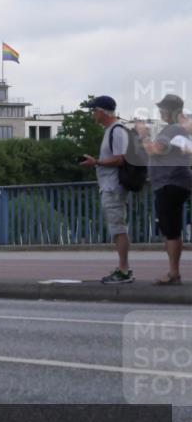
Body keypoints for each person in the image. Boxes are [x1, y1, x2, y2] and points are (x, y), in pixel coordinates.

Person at [138, 94, 192, 285]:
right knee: (172, 228)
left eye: (162, 108)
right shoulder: (176, 130)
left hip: (170, 184)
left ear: (169, 111)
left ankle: (173, 273)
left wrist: (144, 135)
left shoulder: (172, 129)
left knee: (171, 230)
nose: (160, 112)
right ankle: (173, 272)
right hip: (174, 182)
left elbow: (154, 150)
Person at [80, 96, 134, 284]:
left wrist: (97, 162)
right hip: (110, 185)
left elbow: (120, 158)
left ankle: (124, 270)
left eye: (93, 110)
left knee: (118, 228)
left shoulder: (116, 131)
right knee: (116, 228)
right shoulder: (111, 131)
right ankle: (122, 268)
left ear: (102, 111)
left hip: (113, 186)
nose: (92, 114)